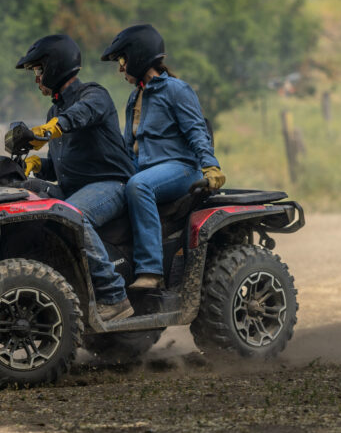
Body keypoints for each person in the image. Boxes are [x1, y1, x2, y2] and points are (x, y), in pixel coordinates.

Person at [15, 34, 135, 322]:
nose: (37, 79)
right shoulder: (54, 111)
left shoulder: (93, 95)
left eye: (39, 70)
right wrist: (36, 166)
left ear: (56, 66)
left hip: (112, 185)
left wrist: (50, 129)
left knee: (73, 215)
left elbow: (79, 116)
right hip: (73, 188)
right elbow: (62, 167)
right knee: (24, 193)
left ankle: (114, 297)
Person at [100, 24, 226, 290]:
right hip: (145, 170)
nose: (120, 68)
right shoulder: (134, 97)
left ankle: (151, 271)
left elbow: (196, 132)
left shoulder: (176, 90)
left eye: (122, 60)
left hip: (181, 169)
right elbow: (127, 146)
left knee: (139, 185)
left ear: (138, 56)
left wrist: (210, 166)